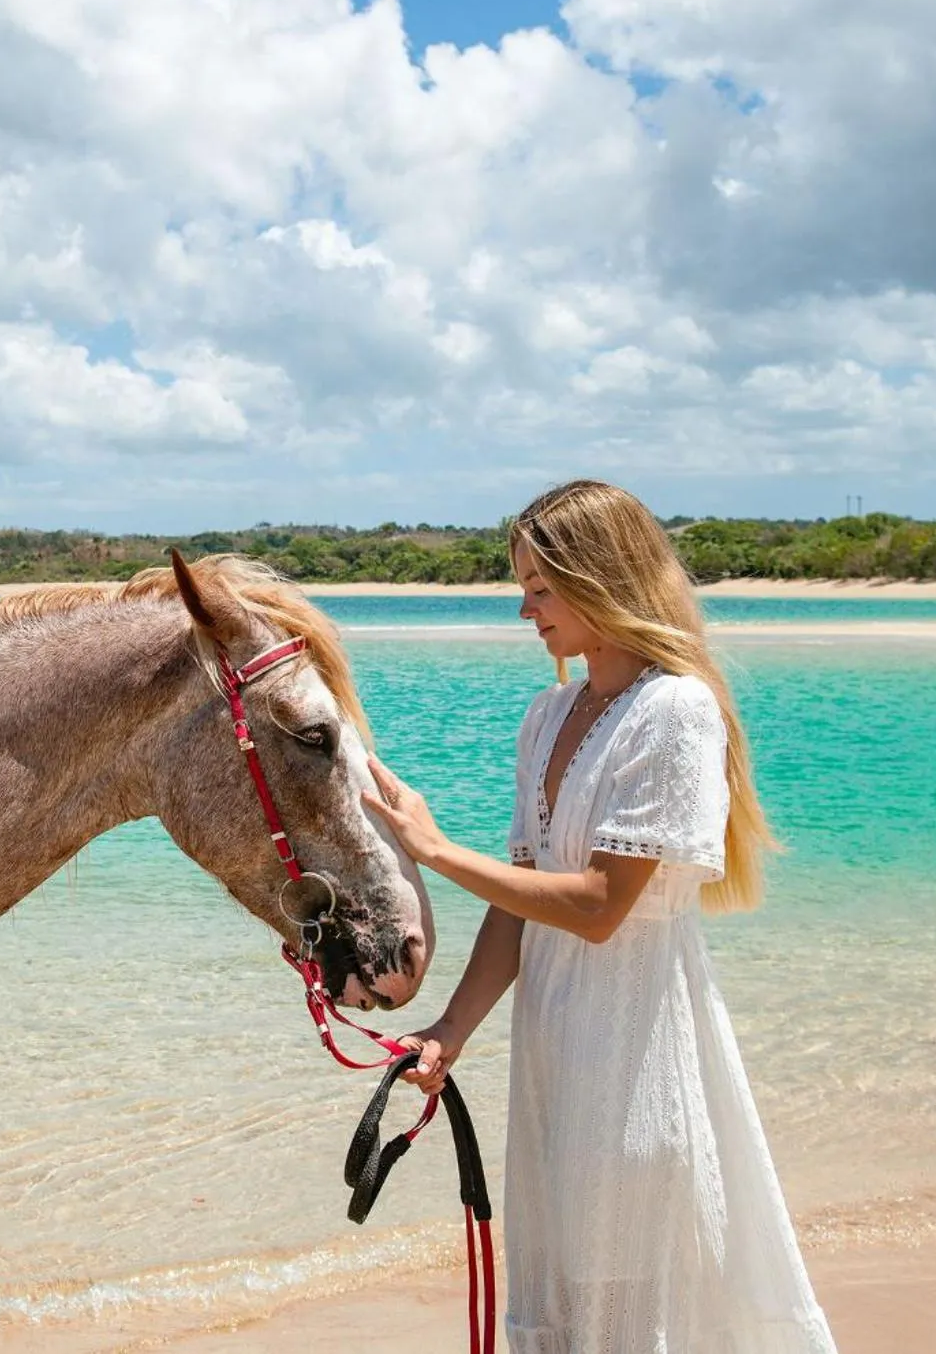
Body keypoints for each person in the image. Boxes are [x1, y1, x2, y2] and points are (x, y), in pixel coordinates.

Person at [360, 480, 837, 1354]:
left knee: (624, 1317)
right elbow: (520, 905)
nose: (523, 608)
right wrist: (450, 1031)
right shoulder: (545, 716)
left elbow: (599, 908)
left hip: (635, 1062)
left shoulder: (674, 711)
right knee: (573, 1309)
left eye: (540, 587)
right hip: (554, 1062)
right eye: (524, 586)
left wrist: (432, 851)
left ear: (601, 579)